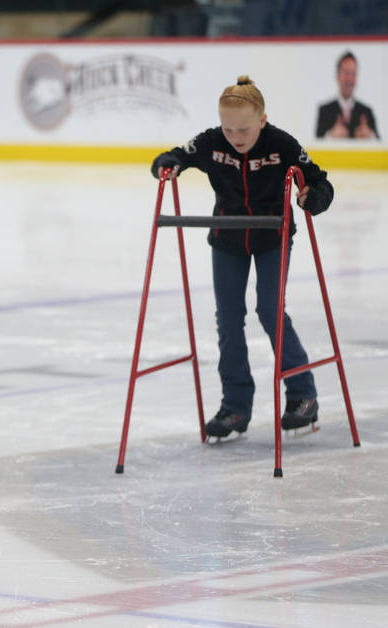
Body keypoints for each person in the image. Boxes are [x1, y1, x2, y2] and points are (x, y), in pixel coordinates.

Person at [151, 76, 333, 438]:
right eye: (229, 128)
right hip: (228, 238)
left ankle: (303, 394)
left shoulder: (281, 144)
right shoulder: (212, 142)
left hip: (272, 236)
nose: (236, 136)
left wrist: (313, 197)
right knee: (228, 318)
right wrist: (166, 163)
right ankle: (235, 406)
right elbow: (176, 155)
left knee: (269, 310)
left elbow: (320, 182)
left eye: (245, 129)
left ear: (262, 120)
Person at [315, 51, 378, 140]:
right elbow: (317, 145)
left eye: (353, 74)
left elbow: (379, 144)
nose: (350, 79)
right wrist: (330, 136)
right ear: (337, 76)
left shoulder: (366, 112)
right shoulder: (325, 111)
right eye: (346, 73)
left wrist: (369, 136)